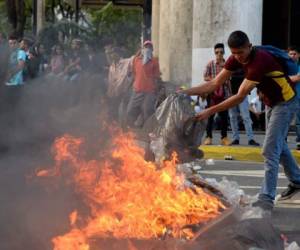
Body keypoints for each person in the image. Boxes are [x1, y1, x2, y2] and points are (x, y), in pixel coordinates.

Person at [180, 30, 300, 211]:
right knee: (278, 145)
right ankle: (297, 181)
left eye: (241, 53)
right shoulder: (235, 58)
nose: (238, 57)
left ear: (249, 47)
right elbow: (214, 83)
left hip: (286, 102)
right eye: (234, 53)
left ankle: (266, 199)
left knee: (269, 149)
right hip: (271, 102)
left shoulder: (259, 62)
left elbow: (239, 96)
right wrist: (183, 92)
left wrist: (208, 111)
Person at [126, 40, 160, 128]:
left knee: (148, 111)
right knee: (130, 110)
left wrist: (155, 90)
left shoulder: (154, 61)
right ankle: (132, 129)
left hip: (149, 91)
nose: (147, 49)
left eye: (149, 47)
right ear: (143, 49)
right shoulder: (136, 60)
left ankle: (147, 131)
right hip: (137, 90)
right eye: (146, 47)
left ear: (152, 49)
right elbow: (134, 74)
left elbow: (156, 77)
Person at [203, 43, 231, 146]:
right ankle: (208, 137)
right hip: (212, 94)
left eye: (221, 52)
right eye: (217, 52)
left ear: (224, 52)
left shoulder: (228, 64)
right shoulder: (210, 64)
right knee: (210, 115)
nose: (219, 54)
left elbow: (230, 79)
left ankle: (224, 138)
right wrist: (216, 80)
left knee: (224, 117)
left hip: (224, 94)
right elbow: (205, 77)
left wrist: (231, 93)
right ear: (214, 53)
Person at [228, 68, 260, 146]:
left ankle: (250, 139)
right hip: (231, 94)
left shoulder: (245, 66)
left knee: (246, 117)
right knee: (233, 117)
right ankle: (235, 138)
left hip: (243, 95)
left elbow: (250, 79)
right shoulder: (230, 66)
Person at [287, 46, 300, 149]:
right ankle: (282, 140)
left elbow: (297, 78)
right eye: (290, 54)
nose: (292, 56)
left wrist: (284, 78)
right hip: (287, 97)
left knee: (299, 121)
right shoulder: (286, 66)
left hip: (298, 96)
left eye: (294, 54)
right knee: (284, 119)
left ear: (298, 55)